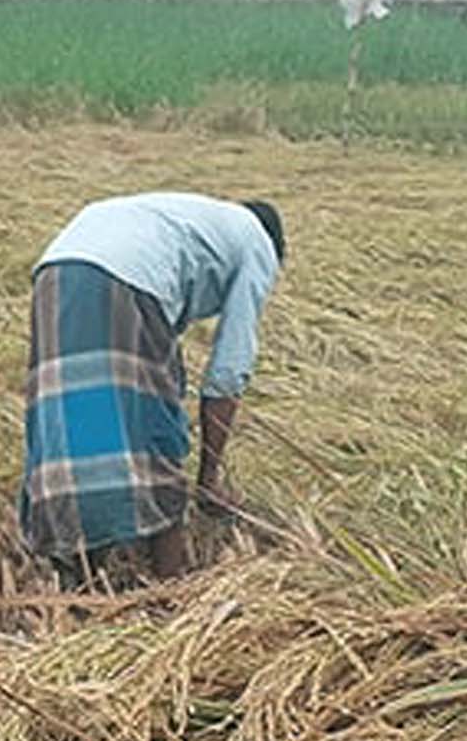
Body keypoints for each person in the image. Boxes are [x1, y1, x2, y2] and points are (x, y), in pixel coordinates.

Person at [20, 192, 285, 579]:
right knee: (154, 428)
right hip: (126, 279)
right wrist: (209, 478)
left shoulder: (195, 221)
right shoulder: (258, 244)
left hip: (56, 270)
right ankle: (169, 588)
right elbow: (229, 369)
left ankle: (77, 579)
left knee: (76, 424)